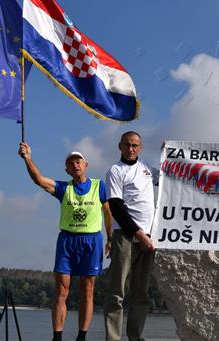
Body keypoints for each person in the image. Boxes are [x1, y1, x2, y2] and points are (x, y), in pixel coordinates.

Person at [18, 143, 110, 341]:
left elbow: (108, 212)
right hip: (68, 240)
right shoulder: (63, 187)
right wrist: (27, 158)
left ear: (86, 165)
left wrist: (111, 237)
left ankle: (81, 336)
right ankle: (57, 336)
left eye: (78, 162)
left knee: (87, 289)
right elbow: (39, 180)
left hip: (91, 241)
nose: (75, 165)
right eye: (71, 163)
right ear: (66, 169)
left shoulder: (99, 185)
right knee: (62, 289)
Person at [104, 131, 159, 341]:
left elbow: (168, 178)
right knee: (116, 293)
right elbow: (116, 207)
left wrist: (169, 153)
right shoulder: (115, 171)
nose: (131, 149)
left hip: (149, 238)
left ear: (141, 147)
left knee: (141, 293)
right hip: (125, 237)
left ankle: (135, 337)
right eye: (127, 145)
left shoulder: (146, 169)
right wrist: (138, 233)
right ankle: (113, 338)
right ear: (120, 146)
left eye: (135, 145)